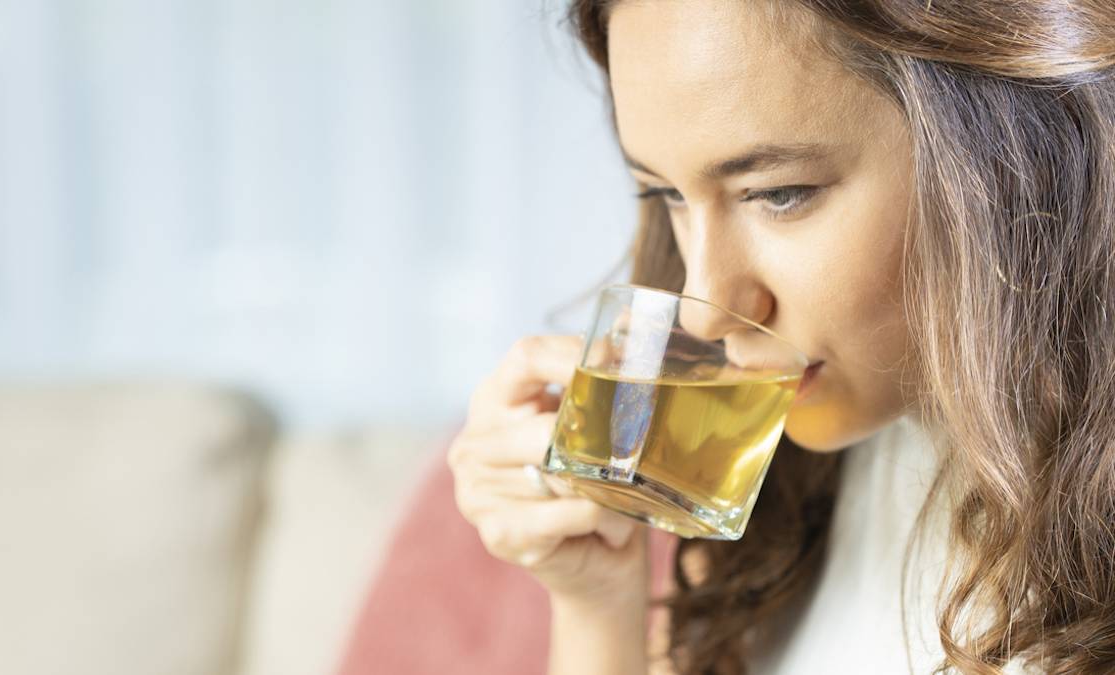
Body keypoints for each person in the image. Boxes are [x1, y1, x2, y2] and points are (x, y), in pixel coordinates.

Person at [446, 0, 1115, 672]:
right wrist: (595, 600)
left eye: (779, 193)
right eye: (666, 194)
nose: (703, 307)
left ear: (1011, 155)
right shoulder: (775, 486)